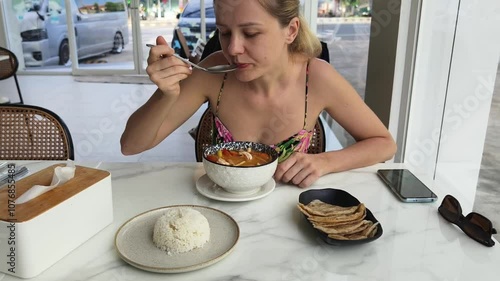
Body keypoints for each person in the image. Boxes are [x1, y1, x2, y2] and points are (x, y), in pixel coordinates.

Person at [121, 0, 397, 188]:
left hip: (290, 221)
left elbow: (384, 143)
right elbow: (132, 145)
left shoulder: (317, 77)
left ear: (290, 30)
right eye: (224, 32)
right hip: (220, 212)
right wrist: (166, 94)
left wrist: (325, 162)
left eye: (251, 33)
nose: (234, 49)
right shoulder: (213, 72)